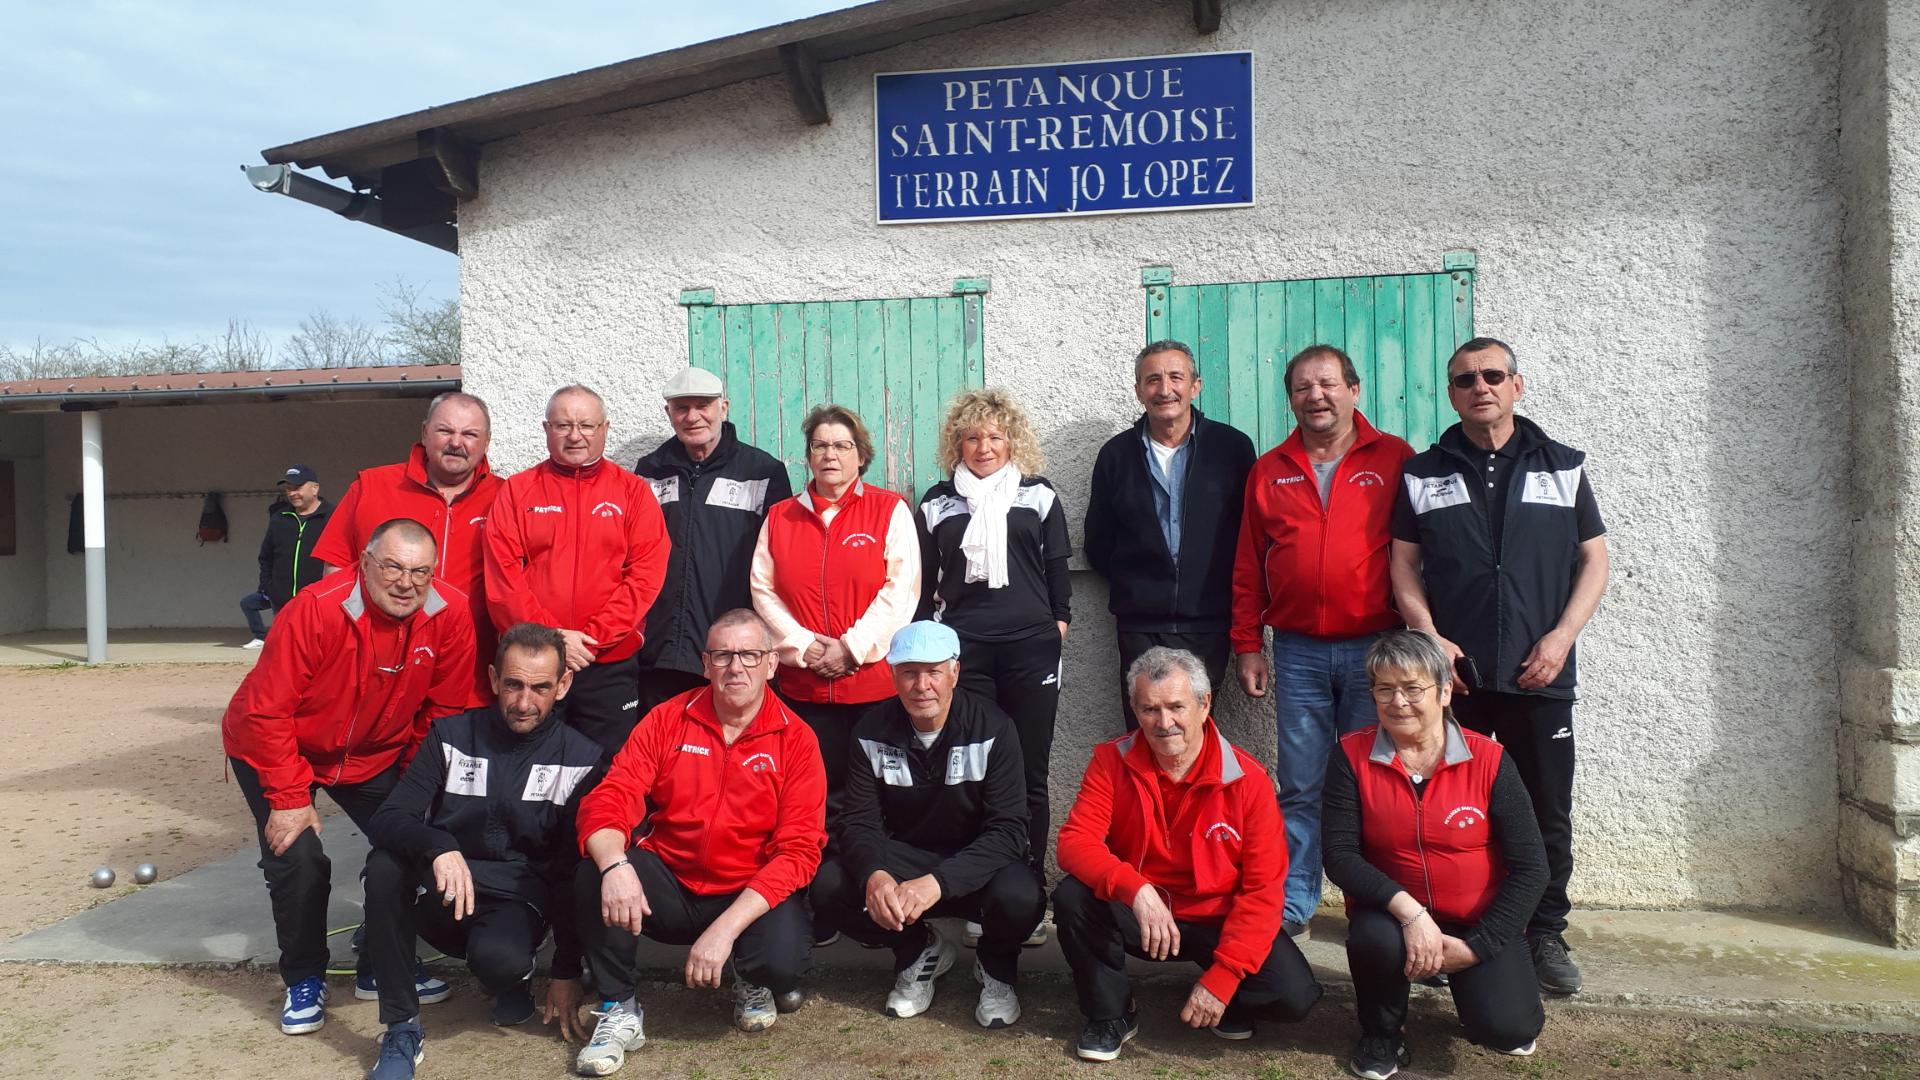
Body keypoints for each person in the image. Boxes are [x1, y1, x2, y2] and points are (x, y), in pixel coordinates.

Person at [1389, 336, 1610, 996]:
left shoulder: (1561, 467)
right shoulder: (1424, 473)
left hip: (1540, 678)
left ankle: (1543, 933)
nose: (1479, 386)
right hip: (1457, 685)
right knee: (1449, 810)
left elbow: (1594, 560)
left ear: (1517, 385)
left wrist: (1562, 637)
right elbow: (1402, 566)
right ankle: (1453, 928)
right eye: (1464, 379)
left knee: (1544, 810)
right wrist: (1431, 640)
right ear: (1451, 395)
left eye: (1492, 375)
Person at [220, 518, 477, 1036]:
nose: (406, 583)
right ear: (364, 563)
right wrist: (291, 797)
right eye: (393, 567)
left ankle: (380, 961)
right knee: (298, 855)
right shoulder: (315, 610)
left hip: (371, 753)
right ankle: (304, 976)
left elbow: (441, 712)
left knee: (405, 843)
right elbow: (268, 713)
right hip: (278, 741)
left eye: (420, 572)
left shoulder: (451, 613)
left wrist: (412, 793)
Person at [572, 609, 827, 1076]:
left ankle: (749, 976)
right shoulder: (666, 719)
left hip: (746, 892)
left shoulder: (798, 739)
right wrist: (615, 866)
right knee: (595, 869)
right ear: (705, 663)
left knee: (782, 965)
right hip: (670, 880)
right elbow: (612, 796)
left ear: (772, 663)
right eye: (723, 655)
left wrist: (725, 931)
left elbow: (799, 850)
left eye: (750, 655)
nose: (737, 667)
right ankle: (620, 1007)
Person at [359, 623, 606, 1080]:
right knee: (384, 867)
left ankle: (511, 978)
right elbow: (389, 818)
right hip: (447, 884)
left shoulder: (582, 758)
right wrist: (438, 846)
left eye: (540, 687)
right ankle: (401, 1027)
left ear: (563, 686)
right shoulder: (450, 735)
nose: (523, 701)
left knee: (500, 960)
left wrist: (566, 969)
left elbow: (572, 872)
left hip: (517, 895)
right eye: (512, 684)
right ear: (493, 679)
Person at [1053, 647, 1321, 1062]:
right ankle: (1110, 1014)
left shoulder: (1248, 780)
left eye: (1176, 707)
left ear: (1204, 703)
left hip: (1218, 920)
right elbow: (1074, 842)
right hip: (1146, 917)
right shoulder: (1110, 760)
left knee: (1295, 995)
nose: (1164, 723)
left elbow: (1263, 890)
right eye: (1149, 709)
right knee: (1073, 896)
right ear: (1134, 708)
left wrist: (1226, 976)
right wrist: (1136, 889)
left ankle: (1223, 998)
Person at [1231, 344, 1414, 939]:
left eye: (1328, 384)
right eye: (1303, 387)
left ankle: (1378, 902)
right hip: (1300, 651)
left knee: (1378, 780)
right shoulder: (1270, 468)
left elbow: (1423, 554)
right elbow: (1248, 566)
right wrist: (1247, 643)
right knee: (1302, 783)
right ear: (1291, 399)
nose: (1317, 396)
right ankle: (1294, 902)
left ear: (1354, 391)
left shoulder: (1395, 460)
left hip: (1376, 650)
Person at [1325, 630, 1549, 1079]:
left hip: (1476, 920)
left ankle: (1466, 982)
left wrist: (1476, 948)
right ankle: (1383, 1031)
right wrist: (1409, 912)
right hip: (1393, 916)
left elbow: (1532, 868)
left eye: (1413, 688)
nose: (1398, 702)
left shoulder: (1489, 759)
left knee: (1510, 1030)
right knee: (1372, 938)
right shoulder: (1350, 754)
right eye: (1384, 689)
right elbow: (1339, 854)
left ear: (1445, 691)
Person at [810, 621, 1044, 1027]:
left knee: (1023, 897)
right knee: (829, 886)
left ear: (955, 672)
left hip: (976, 862)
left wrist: (938, 882)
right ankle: (918, 952)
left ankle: (996, 967)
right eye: (909, 672)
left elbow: (1009, 830)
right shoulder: (871, 730)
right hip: (906, 856)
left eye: (933, 671)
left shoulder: (994, 728)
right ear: (892, 675)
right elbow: (859, 821)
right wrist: (876, 874)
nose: (922, 685)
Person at [915, 387, 1070, 878]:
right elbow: (923, 580)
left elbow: (1057, 569)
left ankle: (1028, 883)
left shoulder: (1037, 494)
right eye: (972, 437)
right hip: (964, 651)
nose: (984, 447)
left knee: (1029, 771)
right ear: (956, 444)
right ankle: (974, 880)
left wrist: (1057, 625)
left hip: (1031, 650)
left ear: (1011, 441)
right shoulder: (937, 502)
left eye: (995, 437)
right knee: (967, 765)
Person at [750, 404, 919, 835]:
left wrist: (851, 649)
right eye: (820, 445)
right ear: (807, 455)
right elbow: (763, 589)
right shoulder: (780, 517)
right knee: (812, 793)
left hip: (872, 687)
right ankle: (818, 884)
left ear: (861, 455)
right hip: (804, 688)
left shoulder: (890, 510)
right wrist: (803, 645)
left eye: (842, 446)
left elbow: (900, 590)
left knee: (876, 794)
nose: (830, 455)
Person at [486, 384, 672, 756]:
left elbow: (644, 576)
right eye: (563, 425)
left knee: (604, 771)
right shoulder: (517, 491)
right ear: (546, 429)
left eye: (586, 425)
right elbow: (503, 575)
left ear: (605, 428)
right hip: (533, 667)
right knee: (527, 765)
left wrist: (590, 640)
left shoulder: (633, 492)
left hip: (607, 663)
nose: (575, 435)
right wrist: (552, 640)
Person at [1084, 341, 1256, 729]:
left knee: (1197, 733)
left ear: (1196, 385)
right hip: (1140, 626)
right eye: (1153, 380)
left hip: (1210, 622)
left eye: (1176, 377)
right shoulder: (1116, 455)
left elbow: (1250, 535)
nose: (1165, 389)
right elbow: (1098, 539)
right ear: (1138, 390)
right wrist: (1141, 583)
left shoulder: (1232, 448)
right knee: (1145, 733)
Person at [312, 392, 503, 700]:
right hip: (375, 674)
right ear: (425, 432)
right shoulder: (371, 487)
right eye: (445, 431)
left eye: (470, 434)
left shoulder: (506, 499)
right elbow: (334, 574)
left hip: (469, 682)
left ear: (486, 442)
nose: (457, 442)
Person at [632, 367, 792, 715]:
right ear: (668, 413)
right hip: (662, 651)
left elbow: (780, 565)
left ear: (724, 407)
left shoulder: (762, 471)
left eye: (703, 404)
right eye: (681, 407)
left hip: (734, 655)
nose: (693, 416)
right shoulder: (650, 470)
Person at [241, 464, 333, 648]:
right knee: (284, 651)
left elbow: (343, 557)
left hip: (318, 601)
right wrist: (269, 588)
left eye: (297, 487)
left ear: (315, 488)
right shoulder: (279, 518)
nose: (292, 493)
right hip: (281, 601)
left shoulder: (333, 516)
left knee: (316, 649)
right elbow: (266, 557)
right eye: (288, 489)